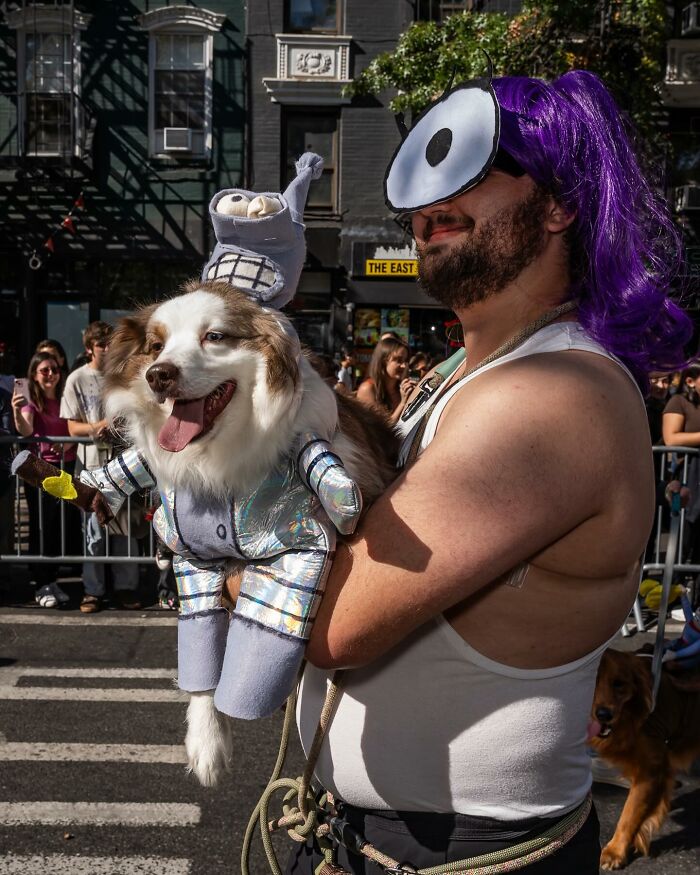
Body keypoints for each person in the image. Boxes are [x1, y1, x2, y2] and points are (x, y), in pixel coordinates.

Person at [287, 71, 691, 874]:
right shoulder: (461, 376)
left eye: (477, 164)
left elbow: (327, 620)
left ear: (558, 203)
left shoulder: (552, 396)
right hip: (373, 838)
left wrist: (213, 530)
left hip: (464, 857)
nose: (432, 201)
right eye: (426, 176)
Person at [60, 321, 141, 613]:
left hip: (121, 465)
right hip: (91, 465)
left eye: (111, 344)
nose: (107, 349)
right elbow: (70, 426)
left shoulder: (123, 377)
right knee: (93, 532)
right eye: (101, 345)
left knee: (124, 530)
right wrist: (97, 426)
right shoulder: (76, 379)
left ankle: (126, 587)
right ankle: (92, 590)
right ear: (89, 348)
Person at [11, 351, 78, 606]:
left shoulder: (64, 398)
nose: (51, 374)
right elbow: (26, 429)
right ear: (35, 375)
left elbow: (72, 430)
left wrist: (68, 445)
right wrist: (17, 412)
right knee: (42, 526)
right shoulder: (31, 399)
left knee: (58, 526)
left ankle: (51, 580)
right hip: (40, 470)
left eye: (54, 369)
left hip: (65, 468)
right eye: (44, 370)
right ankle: (41, 583)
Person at [356, 336, 415, 426]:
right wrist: (403, 403)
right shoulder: (368, 388)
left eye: (405, 360)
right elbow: (383, 429)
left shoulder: (402, 388)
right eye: (398, 360)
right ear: (383, 361)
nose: (403, 366)